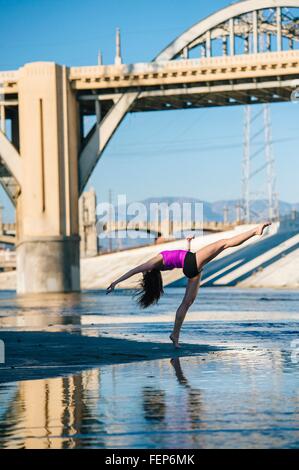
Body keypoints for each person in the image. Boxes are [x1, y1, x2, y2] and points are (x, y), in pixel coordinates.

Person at [106, 222, 271, 348]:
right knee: (224, 243)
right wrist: (115, 282)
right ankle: (254, 231)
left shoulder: (159, 264)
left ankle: (175, 335)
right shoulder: (153, 263)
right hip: (191, 263)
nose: (144, 270)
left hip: (191, 266)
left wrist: (189, 244)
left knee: (187, 303)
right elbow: (135, 270)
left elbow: (180, 257)